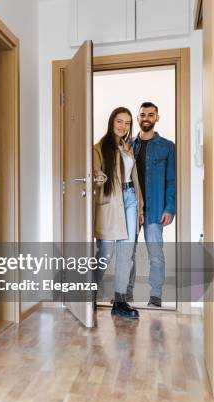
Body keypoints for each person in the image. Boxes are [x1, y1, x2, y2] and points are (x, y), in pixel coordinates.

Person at [93, 107, 144, 319]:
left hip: (130, 198)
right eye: (119, 121)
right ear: (111, 121)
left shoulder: (127, 147)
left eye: (127, 123)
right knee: (106, 253)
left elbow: (135, 178)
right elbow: (94, 172)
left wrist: (140, 207)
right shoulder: (99, 148)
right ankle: (90, 294)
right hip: (111, 202)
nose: (123, 126)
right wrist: (97, 176)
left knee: (126, 253)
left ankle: (120, 302)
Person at [129, 102, 176, 308]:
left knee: (155, 254)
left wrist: (170, 208)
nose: (146, 118)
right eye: (142, 115)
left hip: (156, 209)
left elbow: (172, 180)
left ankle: (155, 295)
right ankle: (125, 293)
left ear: (157, 118)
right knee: (127, 253)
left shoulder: (167, 146)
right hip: (131, 209)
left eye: (150, 114)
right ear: (138, 118)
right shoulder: (128, 145)